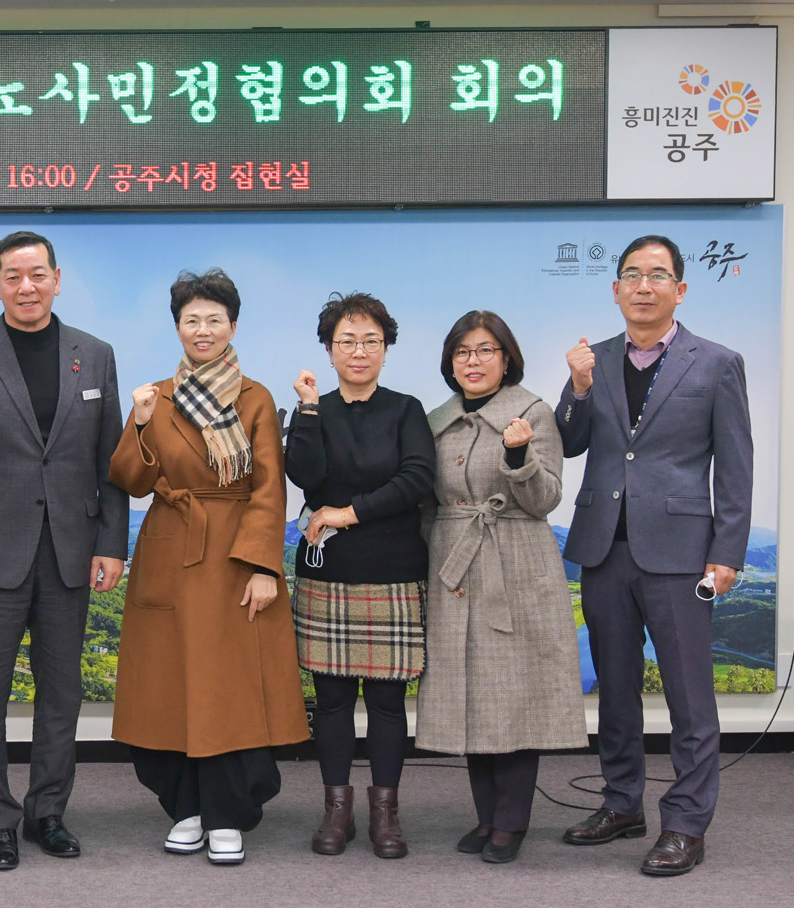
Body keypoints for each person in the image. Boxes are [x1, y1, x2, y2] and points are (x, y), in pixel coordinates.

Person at [0, 230, 127, 871]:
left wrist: (112, 543)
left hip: (71, 548)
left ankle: (48, 812)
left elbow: (112, 460)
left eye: (37, 274)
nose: (26, 286)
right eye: (12, 276)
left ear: (57, 280)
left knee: (61, 693)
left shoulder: (95, 355)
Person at [555, 234, 752, 877]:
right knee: (615, 690)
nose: (644, 286)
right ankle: (622, 804)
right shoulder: (594, 359)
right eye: (633, 275)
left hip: (681, 554)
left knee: (689, 697)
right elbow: (569, 442)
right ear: (615, 289)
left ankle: (687, 823)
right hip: (603, 548)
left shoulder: (717, 363)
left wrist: (727, 551)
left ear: (680, 289)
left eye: (658, 275)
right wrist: (578, 386)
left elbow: (736, 466)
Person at [109, 270, 310, 865]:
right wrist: (139, 422)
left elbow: (269, 487)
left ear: (233, 327)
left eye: (214, 320)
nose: (203, 330)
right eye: (191, 320)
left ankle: (228, 812)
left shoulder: (254, 397)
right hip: (170, 548)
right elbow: (129, 479)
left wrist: (263, 566)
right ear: (177, 328)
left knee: (230, 687)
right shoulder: (156, 397)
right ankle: (187, 809)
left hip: (233, 555)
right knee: (170, 684)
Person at [415, 311, 587, 864]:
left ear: (506, 358)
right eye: (463, 352)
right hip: (453, 565)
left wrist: (518, 457)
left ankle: (511, 822)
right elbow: (428, 503)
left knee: (513, 692)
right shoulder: (436, 420)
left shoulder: (531, 412)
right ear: (450, 362)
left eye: (485, 350)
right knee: (469, 692)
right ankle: (487, 816)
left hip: (515, 565)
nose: (473, 361)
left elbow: (545, 499)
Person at [285, 291, 435, 859]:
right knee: (331, 701)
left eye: (371, 340)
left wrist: (347, 512)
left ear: (386, 349)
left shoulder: (406, 410)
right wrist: (307, 410)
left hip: (392, 571)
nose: (359, 350)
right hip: (328, 574)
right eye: (346, 341)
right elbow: (306, 476)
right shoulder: (314, 409)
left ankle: (385, 814)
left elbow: (417, 479)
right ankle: (337, 811)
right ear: (329, 350)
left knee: (389, 703)